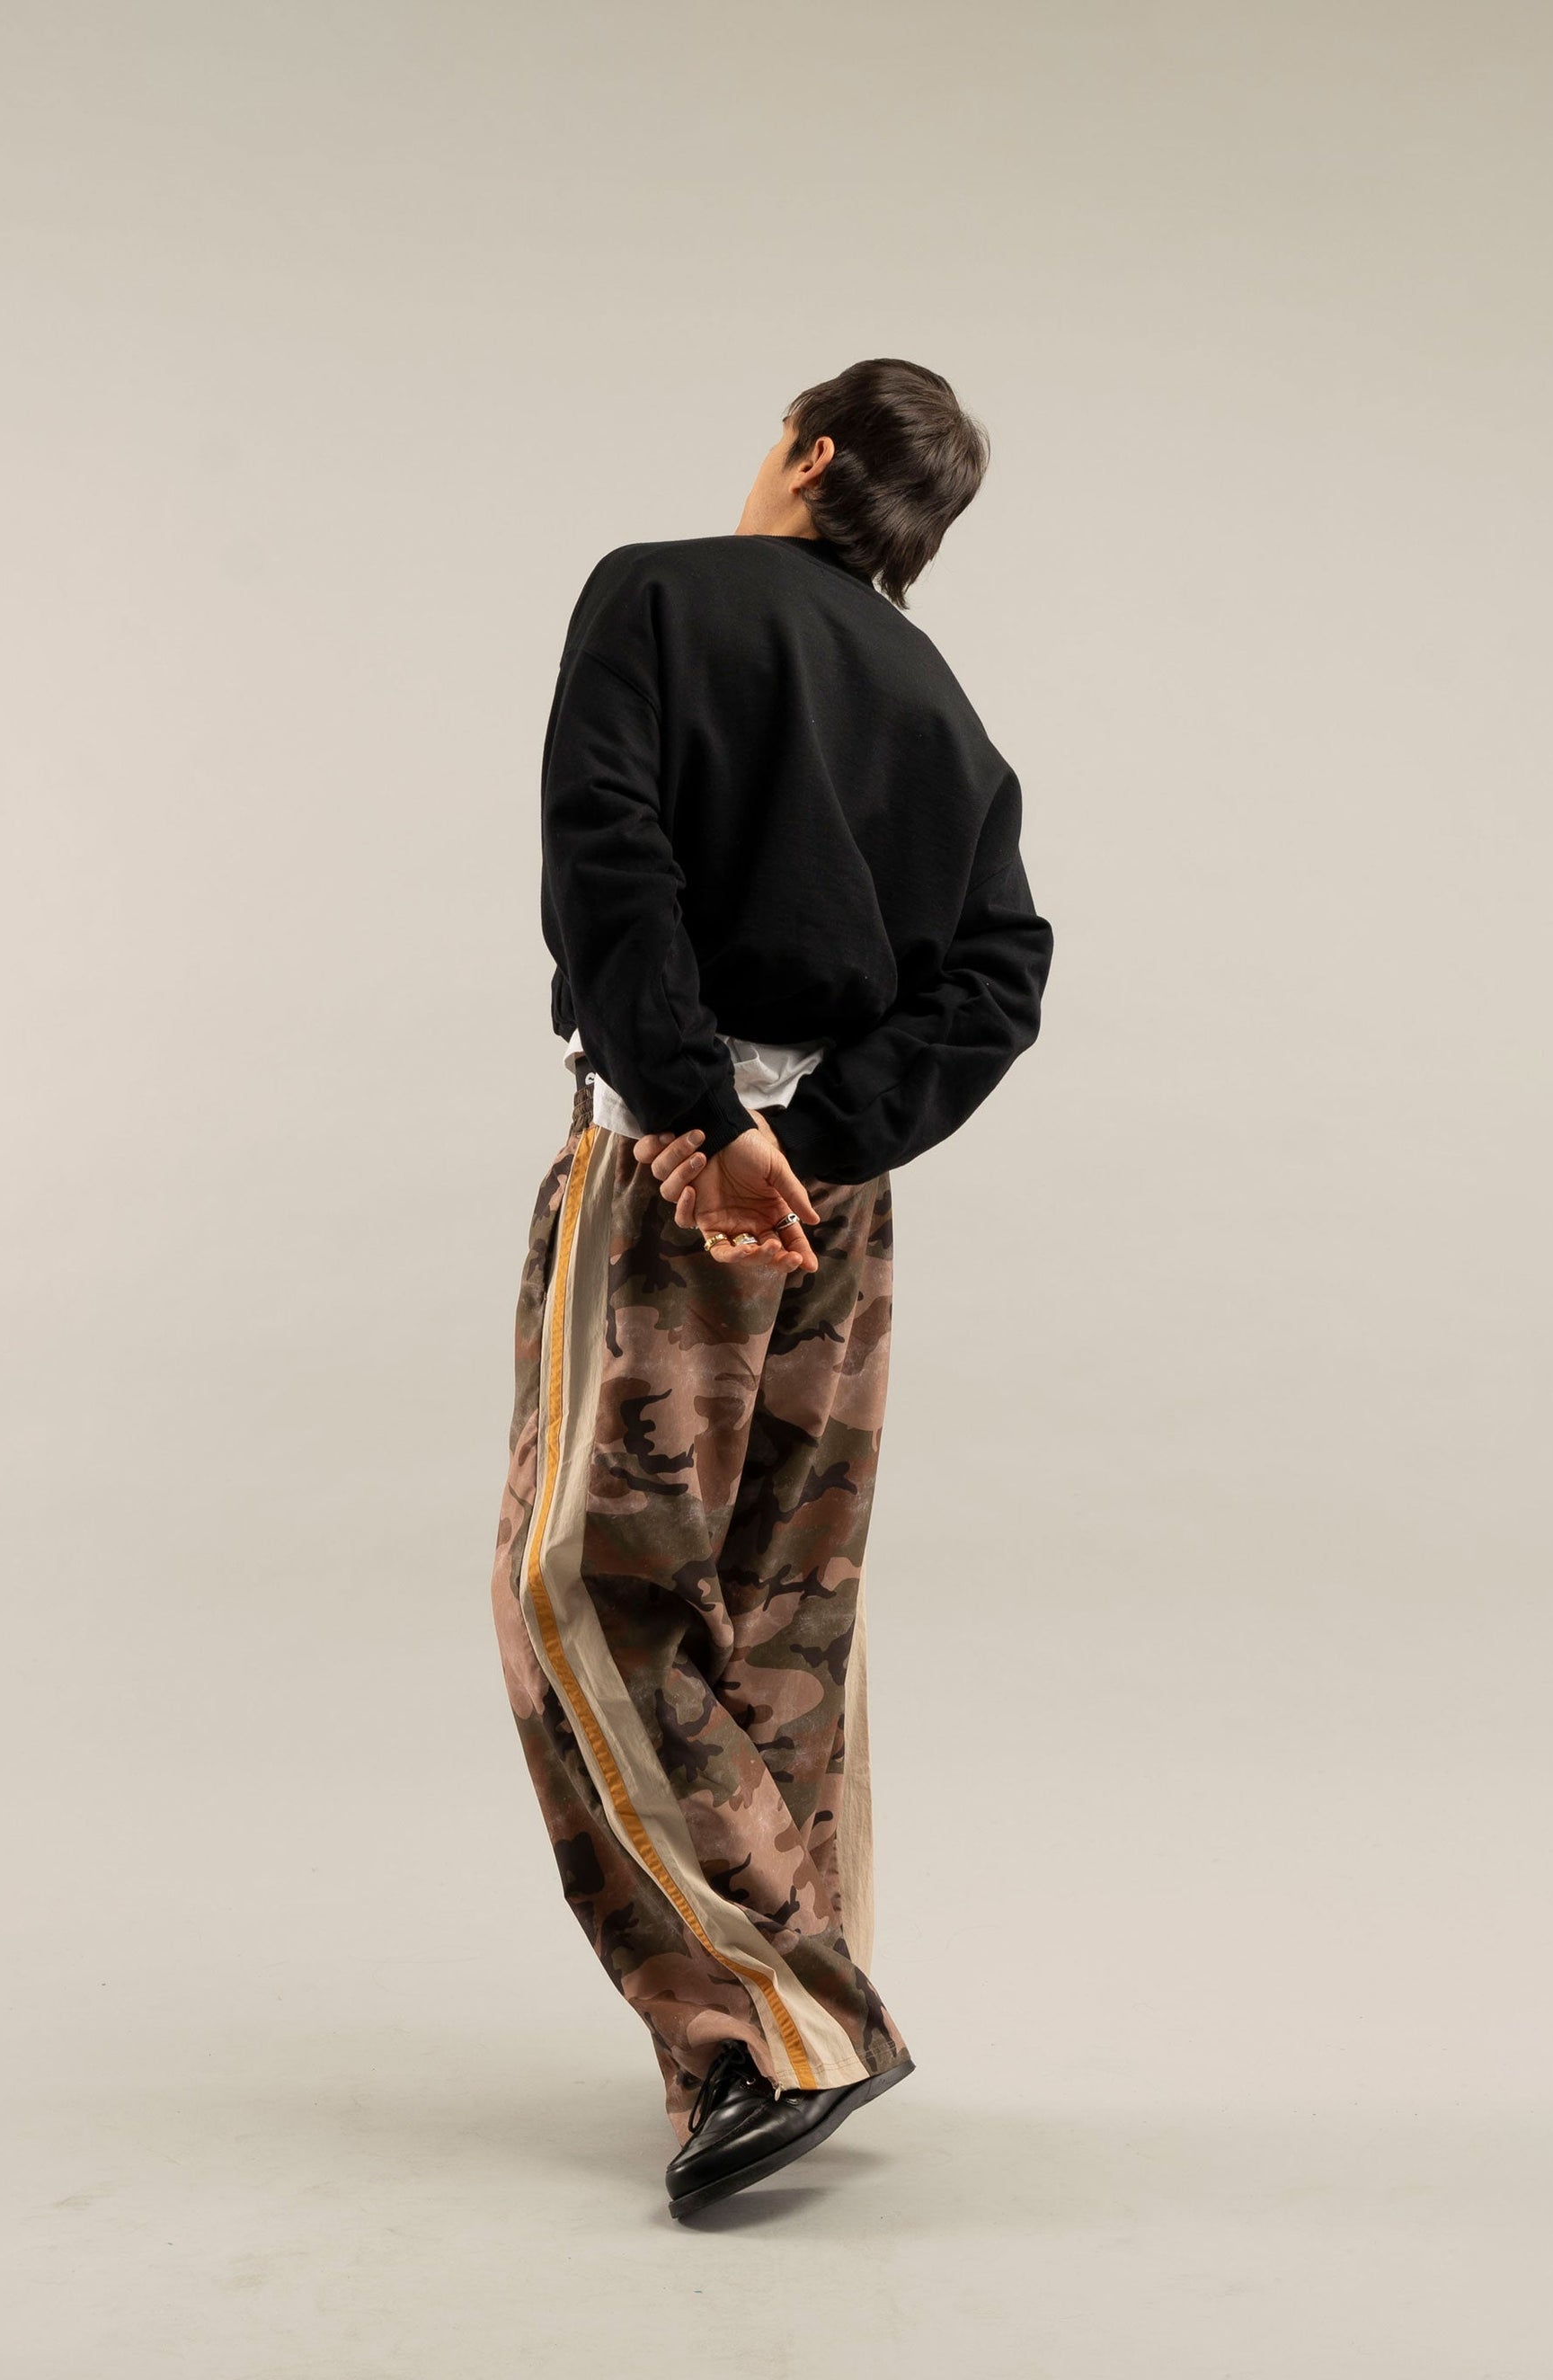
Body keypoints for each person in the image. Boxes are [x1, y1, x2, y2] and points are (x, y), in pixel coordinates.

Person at [490, 358, 1052, 2222]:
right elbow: (999, 971)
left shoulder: (656, 590)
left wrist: (696, 1115)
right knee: (777, 1619)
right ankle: (750, 2055)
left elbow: (609, 852)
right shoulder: (936, 702)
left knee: (585, 1583)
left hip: (678, 1189)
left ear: (807, 454)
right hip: (836, 1218)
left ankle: (799, 2016)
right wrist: (816, 1146)